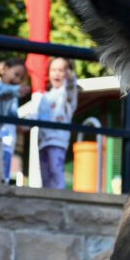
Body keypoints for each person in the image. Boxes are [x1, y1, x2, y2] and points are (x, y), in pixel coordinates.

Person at [31, 57, 78, 189]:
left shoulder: (66, 94)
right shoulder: (44, 97)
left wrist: (70, 78)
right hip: (42, 142)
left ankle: (59, 199)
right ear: (49, 73)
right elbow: (37, 116)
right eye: (53, 70)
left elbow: (71, 86)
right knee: (45, 175)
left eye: (61, 70)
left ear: (67, 73)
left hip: (57, 141)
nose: (57, 73)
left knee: (56, 172)